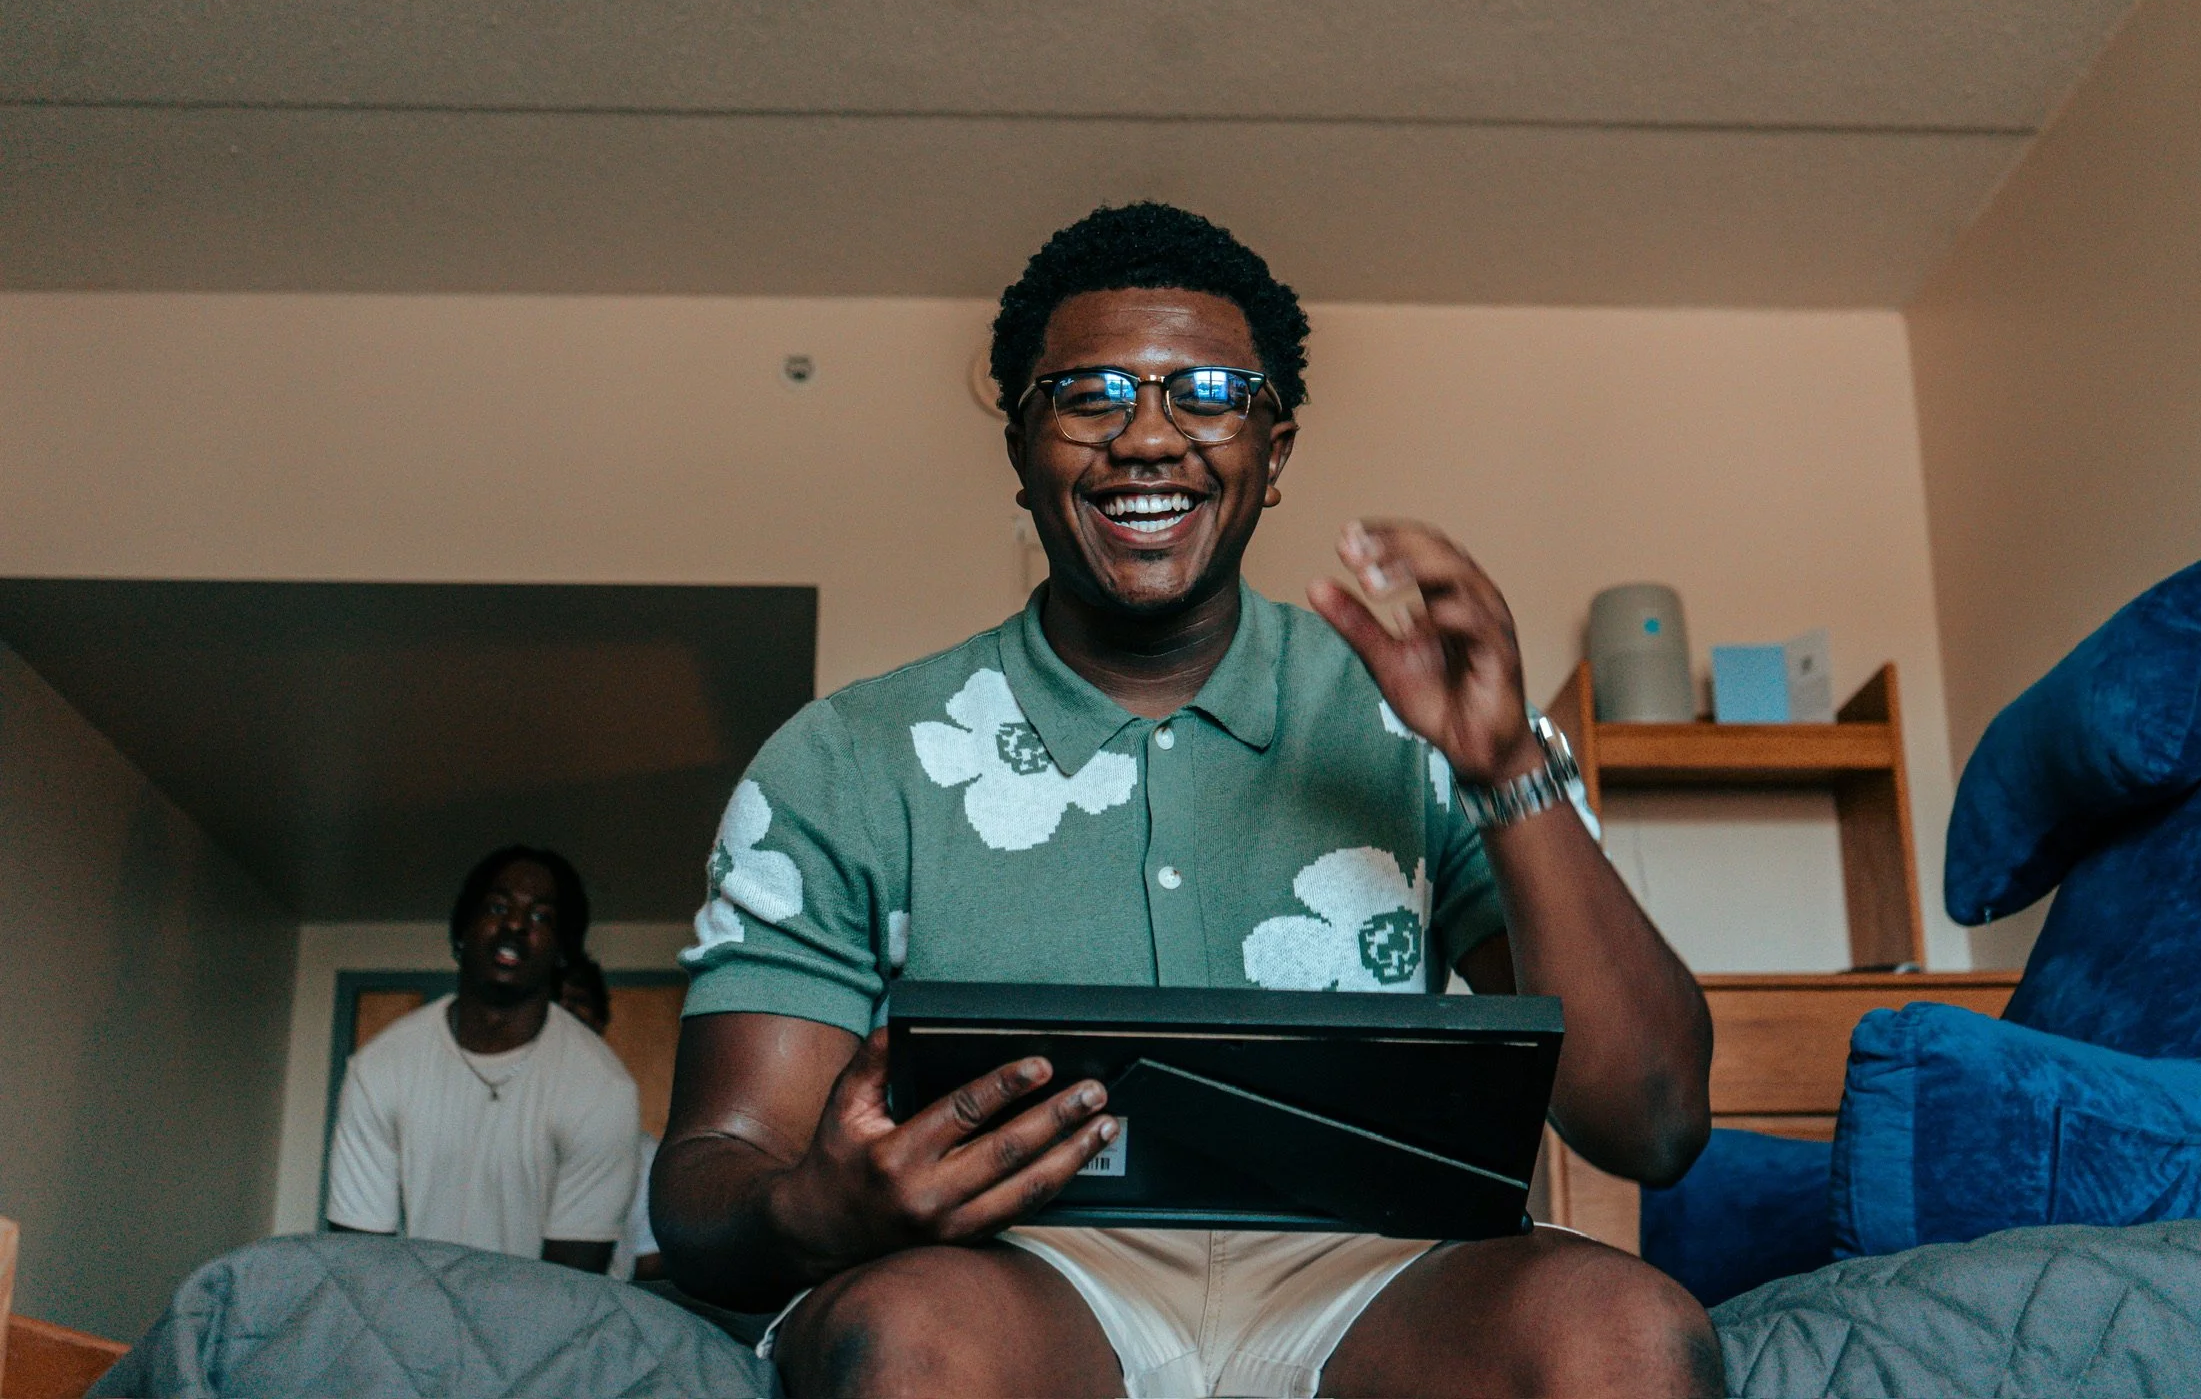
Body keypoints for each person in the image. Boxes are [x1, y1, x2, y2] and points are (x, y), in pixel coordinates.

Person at [657, 203, 1721, 1396]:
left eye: (1210, 394)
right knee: (910, 1342)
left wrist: (1505, 767)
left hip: (1375, 1273)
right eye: (1089, 396)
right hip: (1010, 1272)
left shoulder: (1411, 720)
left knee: (1627, 1335)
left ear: (1276, 453)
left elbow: (1654, 1122)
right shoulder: (848, 758)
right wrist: (818, 1211)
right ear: (1020, 451)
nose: (1149, 438)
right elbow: (709, 1181)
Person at [326, 846, 641, 1273]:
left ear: (562, 951)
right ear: (463, 929)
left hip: (548, 1313)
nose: (515, 924)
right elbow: (359, 1264)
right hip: (409, 1311)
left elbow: (570, 1286)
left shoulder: (602, 1088)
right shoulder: (379, 1069)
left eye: (541, 916)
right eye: (497, 907)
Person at [557, 953, 666, 1281]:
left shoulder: (643, 1153)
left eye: (578, 1001)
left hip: (600, 1309)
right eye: (553, 1001)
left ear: (599, 1020)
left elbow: (651, 1267)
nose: (564, 1012)